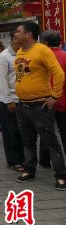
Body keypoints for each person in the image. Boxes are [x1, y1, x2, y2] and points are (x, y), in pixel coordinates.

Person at [13, 21, 66, 190]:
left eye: (18, 32)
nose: (15, 35)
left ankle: (61, 176)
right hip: (23, 104)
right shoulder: (20, 51)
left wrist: (54, 96)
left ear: (28, 34)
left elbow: (58, 73)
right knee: (28, 140)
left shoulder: (43, 50)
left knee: (50, 141)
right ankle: (29, 170)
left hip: (40, 105)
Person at [0, 31, 24, 172]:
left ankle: (23, 158)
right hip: (9, 100)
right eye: (19, 39)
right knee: (11, 132)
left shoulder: (25, 54)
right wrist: (8, 100)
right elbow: (2, 80)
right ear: (13, 39)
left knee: (23, 132)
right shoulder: (4, 57)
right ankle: (13, 161)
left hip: (24, 99)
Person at [38, 30, 66, 171]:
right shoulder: (65, 56)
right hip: (64, 101)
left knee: (46, 131)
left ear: (46, 43)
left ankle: (44, 159)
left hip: (45, 101)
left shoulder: (42, 58)